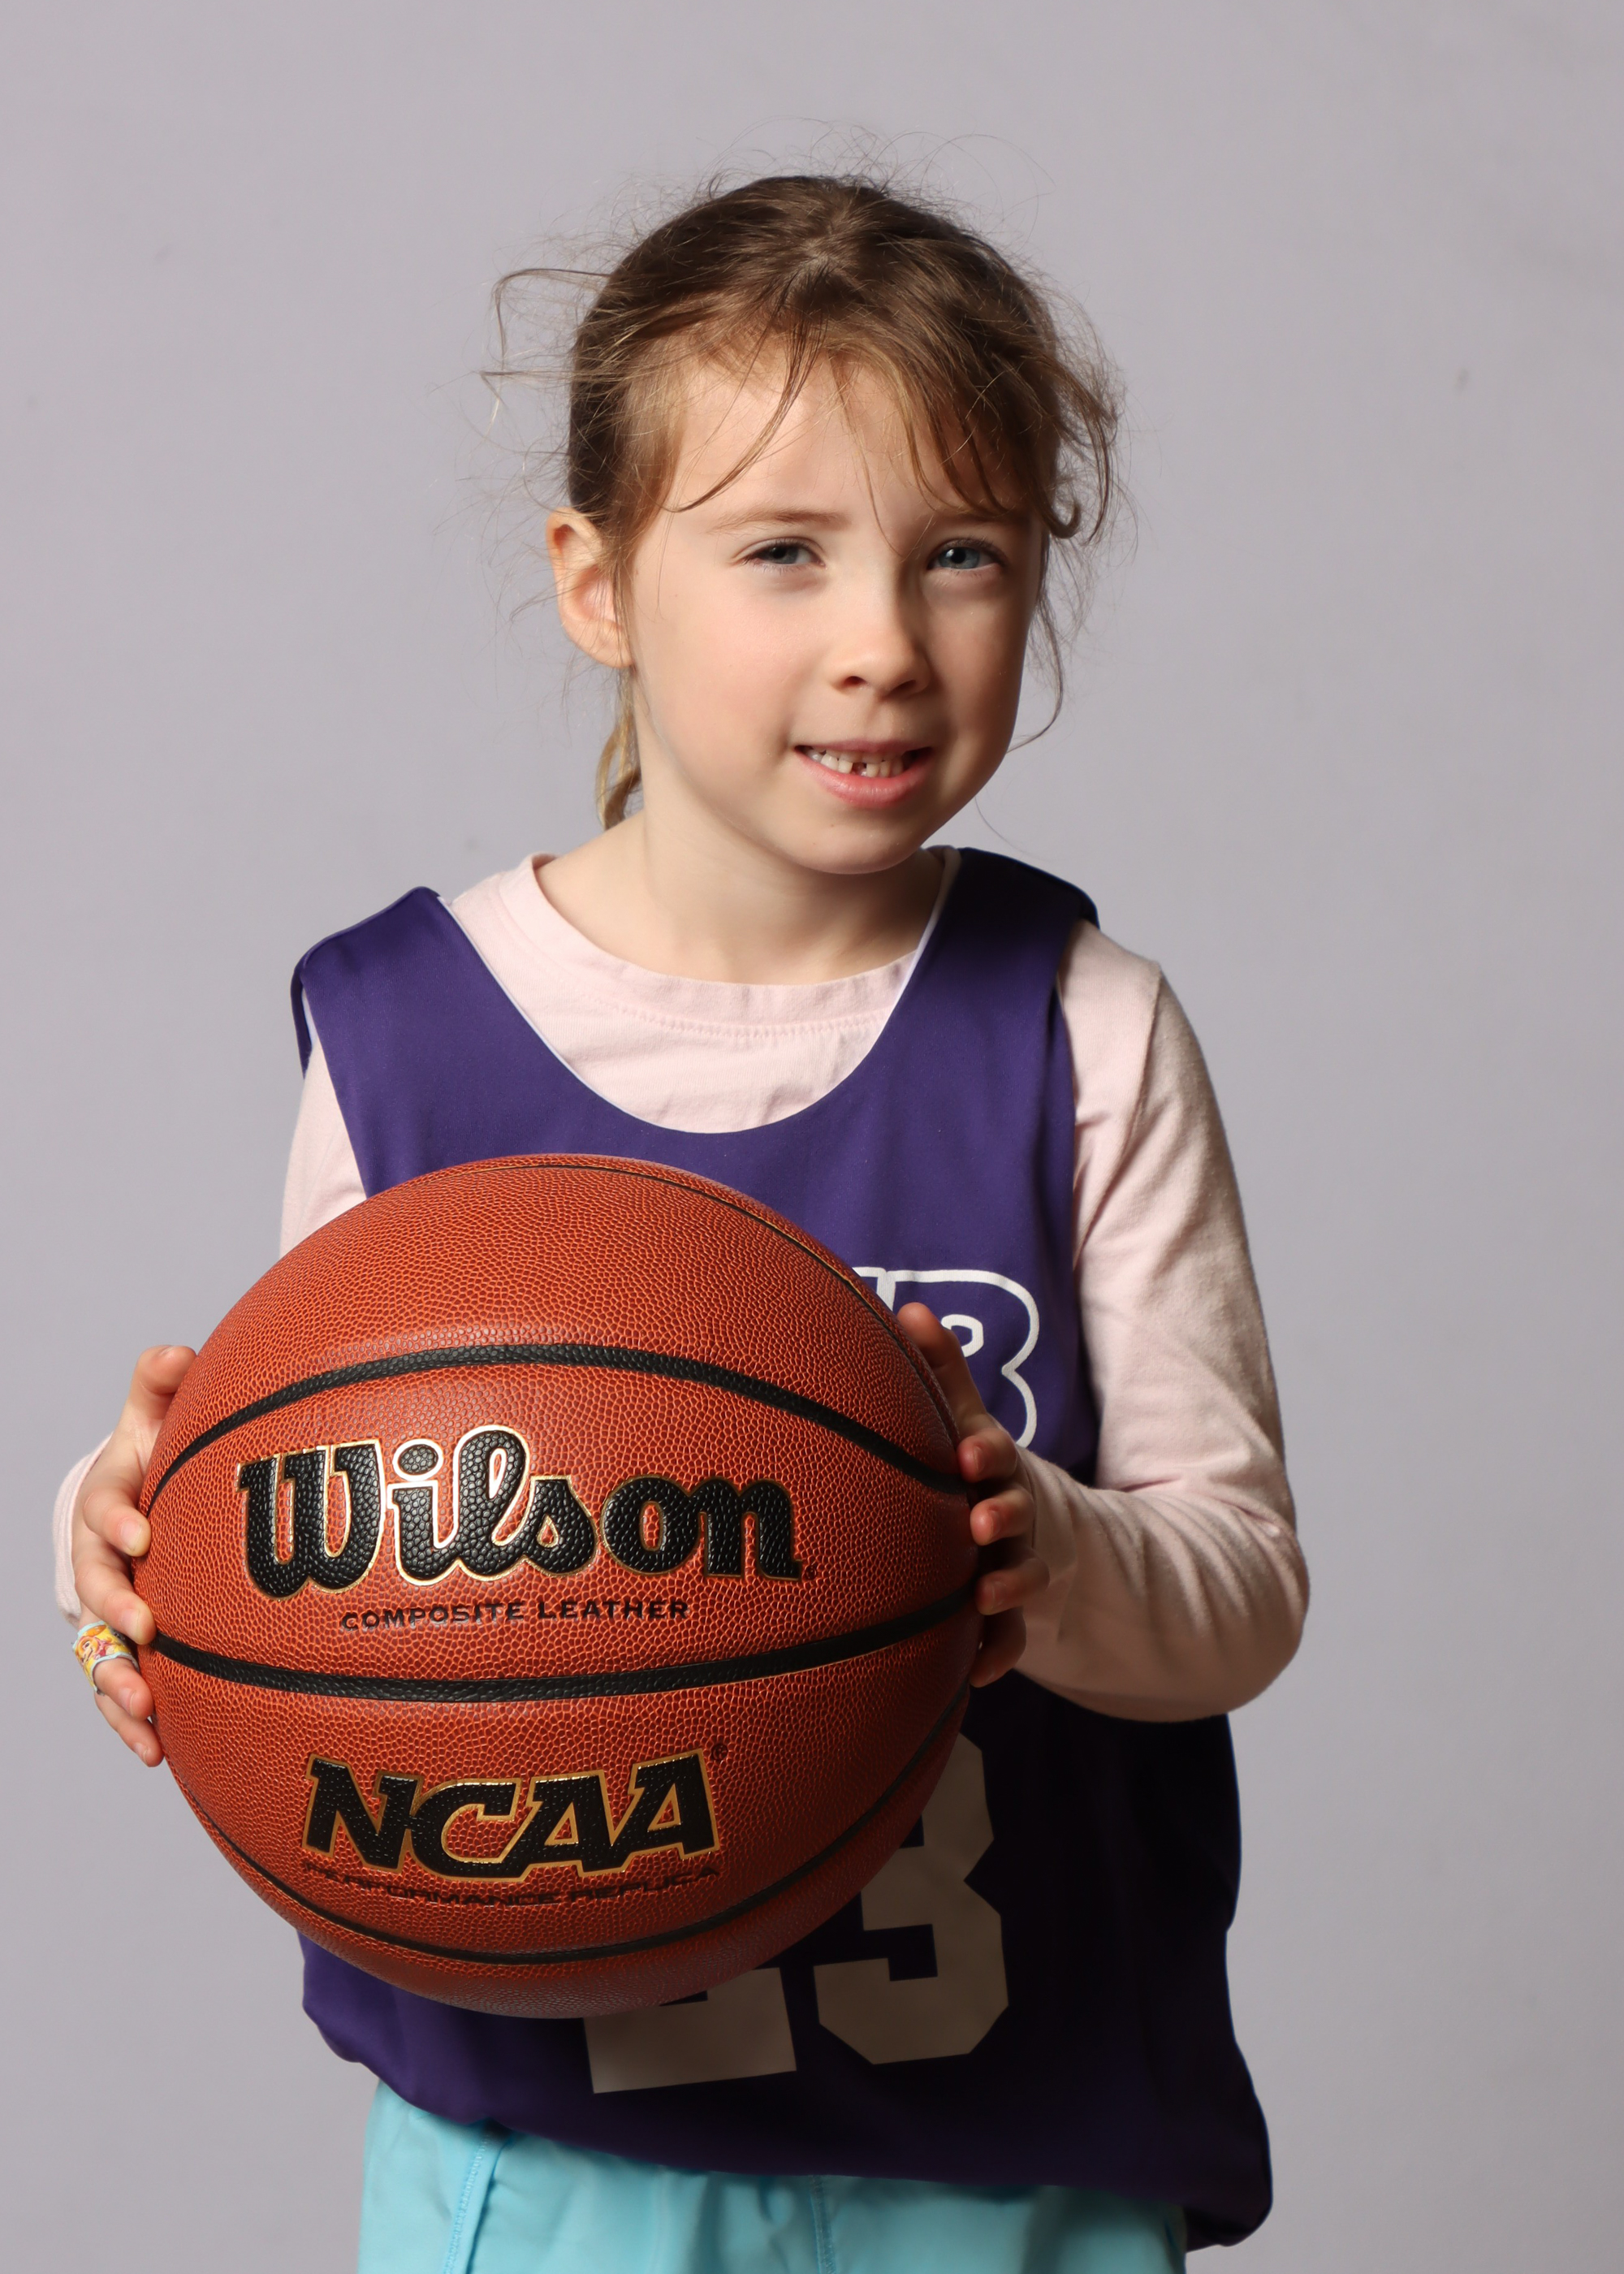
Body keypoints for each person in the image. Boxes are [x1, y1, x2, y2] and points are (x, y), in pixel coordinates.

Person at [56, 172, 1307, 2273]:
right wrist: (125, 1538)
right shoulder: (406, 1037)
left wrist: (1042, 1555)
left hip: (1010, 2144)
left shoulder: (1082, 1030)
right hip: (546, 2159)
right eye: (784, 551)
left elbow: (1243, 1591)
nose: (883, 643)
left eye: (964, 554)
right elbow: (307, 1498)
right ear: (601, 583)